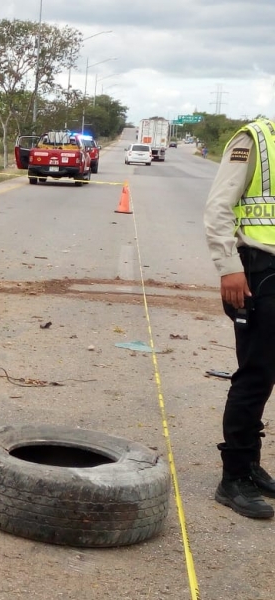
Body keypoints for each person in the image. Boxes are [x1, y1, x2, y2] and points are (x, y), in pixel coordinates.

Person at [204, 118, 275, 519]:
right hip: (260, 274)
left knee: (268, 374)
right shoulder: (255, 139)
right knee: (254, 375)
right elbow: (218, 206)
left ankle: (251, 466)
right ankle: (233, 479)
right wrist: (228, 266)